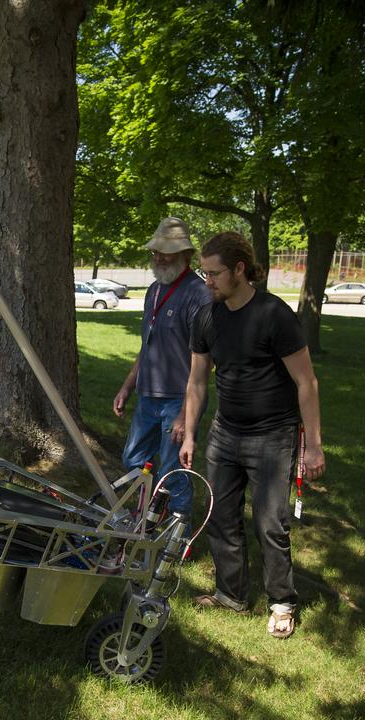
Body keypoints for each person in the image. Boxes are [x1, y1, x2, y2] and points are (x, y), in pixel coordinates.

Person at [179, 231, 325, 640]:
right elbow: (196, 382)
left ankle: (282, 602)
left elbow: (306, 382)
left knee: (269, 522)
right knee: (221, 518)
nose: (206, 282)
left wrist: (313, 446)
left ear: (240, 270)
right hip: (225, 433)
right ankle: (231, 595)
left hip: (272, 436)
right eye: (204, 273)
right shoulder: (206, 316)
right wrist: (190, 434)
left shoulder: (273, 315)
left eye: (214, 274)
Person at [112, 216, 210, 518]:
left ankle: (177, 532)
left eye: (165, 252)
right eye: (155, 251)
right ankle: (151, 512)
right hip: (148, 395)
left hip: (180, 398)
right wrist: (128, 386)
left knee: (173, 469)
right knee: (133, 458)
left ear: (185, 255)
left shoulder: (199, 294)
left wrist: (186, 412)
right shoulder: (154, 290)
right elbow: (148, 343)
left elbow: (205, 362)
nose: (157, 257)